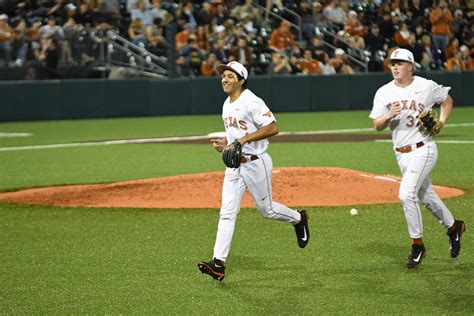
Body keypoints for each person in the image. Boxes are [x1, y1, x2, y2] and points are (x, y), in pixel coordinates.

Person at [198, 61, 310, 281]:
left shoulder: (251, 101)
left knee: (266, 210)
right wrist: (226, 143)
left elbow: (273, 127)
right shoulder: (226, 103)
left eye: (230, 76)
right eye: (223, 76)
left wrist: (244, 139)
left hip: (256, 163)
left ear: (241, 80)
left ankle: (298, 219)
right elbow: (235, 135)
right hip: (234, 167)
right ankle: (218, 263)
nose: (224, 79)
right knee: (227, 212)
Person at [369, 48, 466, 269]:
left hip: (424, 149)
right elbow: (376, 125)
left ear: (410, 66)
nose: (395, 66)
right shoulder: (383, 92)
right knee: (426, 196)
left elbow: (447, 100)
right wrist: (388, 116)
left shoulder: (425, 86)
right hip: (401, 154)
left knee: (406, 194)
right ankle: (454, 227)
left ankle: (417, 245)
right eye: (392, 62)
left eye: (400, 63)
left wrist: (440, 122)